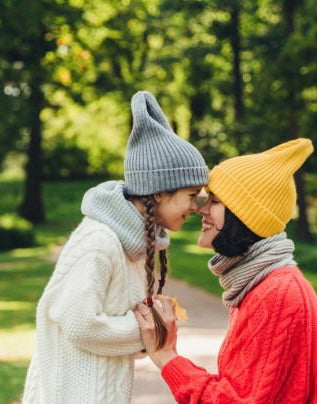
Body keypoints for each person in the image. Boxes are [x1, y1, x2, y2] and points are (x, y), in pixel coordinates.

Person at [21, 91, 209, 404]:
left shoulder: (132, 244)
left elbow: (109, 333)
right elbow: (80, 324)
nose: (196, 206)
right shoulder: (100, 242)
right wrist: (151, 331)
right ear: (159, 192)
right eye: (191, 195)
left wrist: (149, 328)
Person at [135, 138, 317, 403]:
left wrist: (167, 357)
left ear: (245, 215)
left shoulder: (275, 294)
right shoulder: (263, 284)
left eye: (214, 201)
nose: (201, 209)